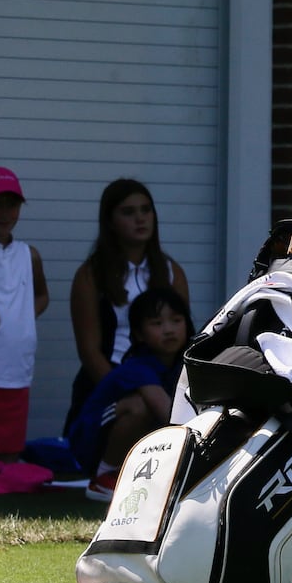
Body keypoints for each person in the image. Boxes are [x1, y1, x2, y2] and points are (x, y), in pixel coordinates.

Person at [64, 179, 190, 434]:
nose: (140, 219)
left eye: (146, 210)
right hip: (110, 383)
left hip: (165, 381)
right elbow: (89, 352)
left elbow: (185, 336)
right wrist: (123, 389)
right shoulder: (90, 275)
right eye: (128, 212)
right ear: (110, 221)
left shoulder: (171, 271)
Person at [69, 287, 189, 501]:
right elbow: (167, 415)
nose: (169, 330)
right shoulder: (137, 367)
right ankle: (105, 477)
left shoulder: (184, 364)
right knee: (140, 407)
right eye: (157, 324)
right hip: (91, 441)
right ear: (139, 334)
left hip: (137, 442)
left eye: (176, 320)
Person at [0, 167, 49, 462]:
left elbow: (42, 296)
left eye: (12, 204)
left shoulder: (28, 254)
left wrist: (19, 322)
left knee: (6, 453)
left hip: (16, 367)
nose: (5, 213)